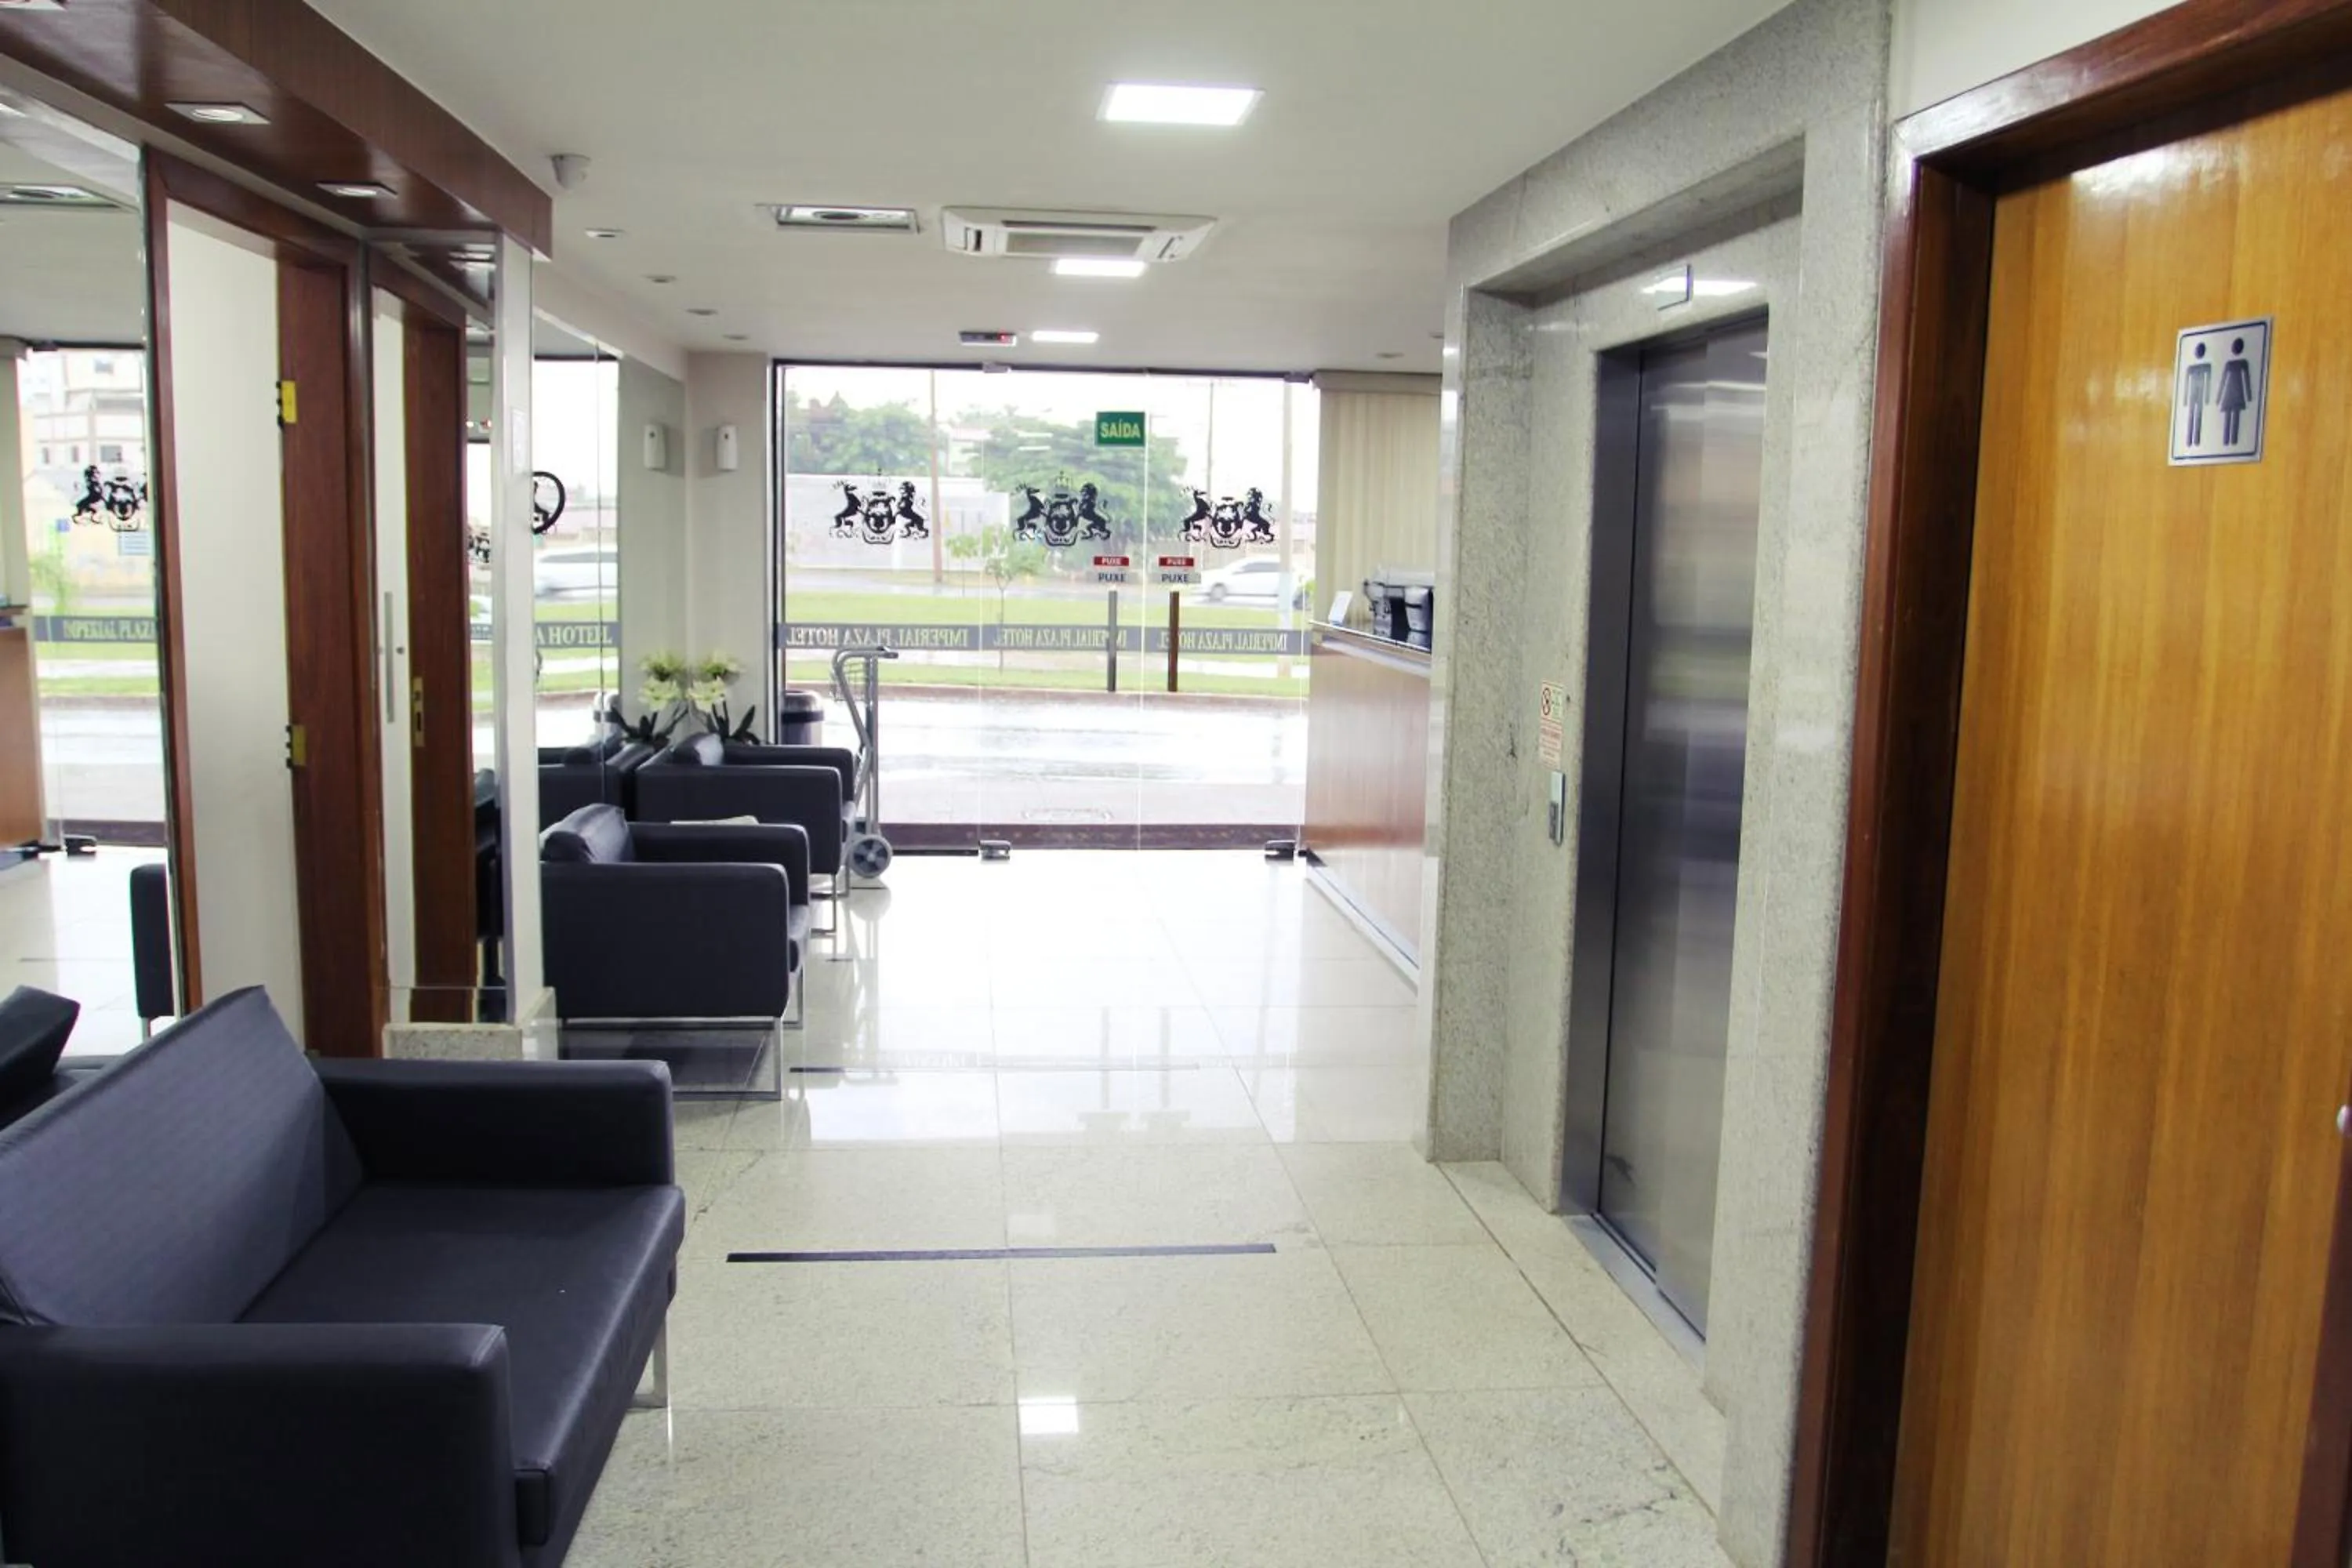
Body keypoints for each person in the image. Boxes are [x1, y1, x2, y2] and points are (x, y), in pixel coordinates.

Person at [2218, 336, 2255, 446]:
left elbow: (2246, 379)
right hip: (2234, 392)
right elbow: (2223, 381)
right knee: (2231, 417)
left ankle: (2232, 441)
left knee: (2234, 417)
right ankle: (2227, 441)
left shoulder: (2241, 363)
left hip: (2234, 392)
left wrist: (2249, 397)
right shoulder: (2231, 364)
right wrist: (2218, 398)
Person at [2181, 341, 2213, 448]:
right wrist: (2185, 399)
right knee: (2192, 416)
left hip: (2199, 396)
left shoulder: (2206, 367)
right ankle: (2189, 440)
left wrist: (2208, 398)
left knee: (2197, 416)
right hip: (2193, 395)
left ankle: (2196, 440)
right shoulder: (2191, 368)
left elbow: (2208, 382)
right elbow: (2186, 383)